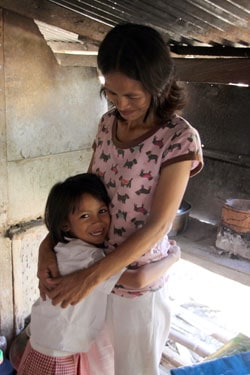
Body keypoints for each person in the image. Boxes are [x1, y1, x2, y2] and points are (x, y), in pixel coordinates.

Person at [38, 23, 203, 375]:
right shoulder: (106, 124)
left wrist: (89, 277)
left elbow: (159, 224)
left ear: (158, 85)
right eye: (111, 94)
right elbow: (80, 196)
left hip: (135, 289)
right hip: (97, 278)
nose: (120, 105)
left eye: (132, 96)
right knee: (95, 367)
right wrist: (47, 246)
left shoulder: (178, 139)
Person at [18, 173, 181, 375]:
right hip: (56, 354)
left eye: (102, 211)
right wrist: (173, 257)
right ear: (65, 225)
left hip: (46, 345)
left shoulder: (64, 247)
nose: (97, 222)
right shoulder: (89, 258)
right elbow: (139, 280)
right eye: (84, 216)